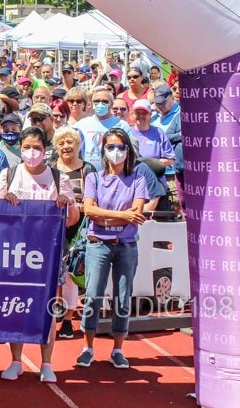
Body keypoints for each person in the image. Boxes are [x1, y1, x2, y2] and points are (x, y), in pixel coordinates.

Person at [0, 127, 78, 384]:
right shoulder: (9, 174)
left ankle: (46, 364)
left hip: (48, 254)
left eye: (37, 148)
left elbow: (72, 220)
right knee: (16, 307)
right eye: (27, 147)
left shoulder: (57, 177)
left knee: (47, 310)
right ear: (20, 148)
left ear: (45, 150)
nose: (32, 152)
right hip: (17, 253)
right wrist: (5, 201)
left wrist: (67, 203)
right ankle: (16, 361)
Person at [77, 127, 149, 370]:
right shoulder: (93, 178)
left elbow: (137, 214)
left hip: (126, 246)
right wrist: (121, 216)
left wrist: (105, 217)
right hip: (98, 244)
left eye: (120, 146)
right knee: (93, 297)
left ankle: (118, 349)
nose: (115, 152)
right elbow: (89, 211)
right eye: (110, 147)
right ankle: (88, 346)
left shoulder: (138, 178)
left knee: (122, 298)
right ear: (103, 150)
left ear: (127, 150)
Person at [50, 126, 95, 339]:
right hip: (55, 227)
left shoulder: (88, 170)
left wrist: (76, 207)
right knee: (53, 274)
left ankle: (68, 320)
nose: (66, 147)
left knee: (70, 275)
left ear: (78, 145)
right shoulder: (50, 169)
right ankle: (54, 313)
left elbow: (94, 201)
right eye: (61, 143)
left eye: (70, 142)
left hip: (79, 229)